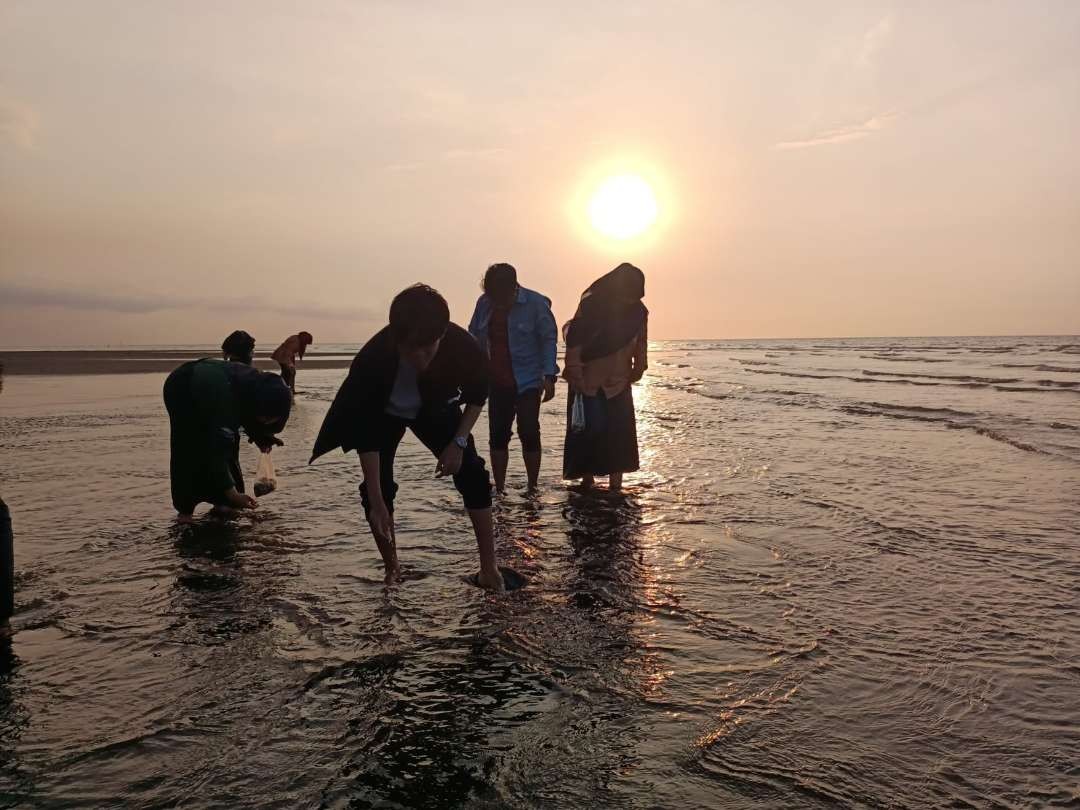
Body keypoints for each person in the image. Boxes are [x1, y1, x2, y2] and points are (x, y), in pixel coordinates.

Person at [310, 284, 504, 591]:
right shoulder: (372, 360)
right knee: (377, 494)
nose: (421, 358)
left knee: (473, 474)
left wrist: (458, 443)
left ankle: (489, 568)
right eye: (411, 350)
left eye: (428, 349)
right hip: (383, 415)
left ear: (442, 335)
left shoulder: (463, 346)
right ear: (396, 338)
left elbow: (479, 396)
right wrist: (375, 497)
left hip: (435, 408)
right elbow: (366, 434)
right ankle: (393, 569)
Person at [163, 358, 291, 523]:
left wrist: (260, 436)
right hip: (184, 387)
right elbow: (217, 450)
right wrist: (232, 494)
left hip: (211, 381)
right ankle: (186, 515)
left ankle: (222, 505)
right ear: (262, 405)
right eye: (266, 419)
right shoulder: (224, 398)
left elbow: (246, 410)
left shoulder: (258, 388)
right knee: (190, 448)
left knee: (227, 444)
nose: (265, 422)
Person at [468, 263, 559, 493]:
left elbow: (549, 341)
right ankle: (499, 488)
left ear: (513, 289)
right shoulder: (484, 303)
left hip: (528, 379)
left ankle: (532, 486)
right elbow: (474, 337)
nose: (497, 303)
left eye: (500, 298)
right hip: (496, 380)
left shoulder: (537, 304)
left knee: (528, 430)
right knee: (498, 434)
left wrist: (549, 376)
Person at [562, 262, 648, 492]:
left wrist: (639, 368)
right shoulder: (591, 306)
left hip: (619, 381)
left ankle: (615, 484)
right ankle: (587, 479)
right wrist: (575, 374)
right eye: (628, 295)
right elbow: (575, 341)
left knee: (619, 434)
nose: (631, 301)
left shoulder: (639, 312)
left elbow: (641, 343)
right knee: (589, 432)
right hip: (587, 381)